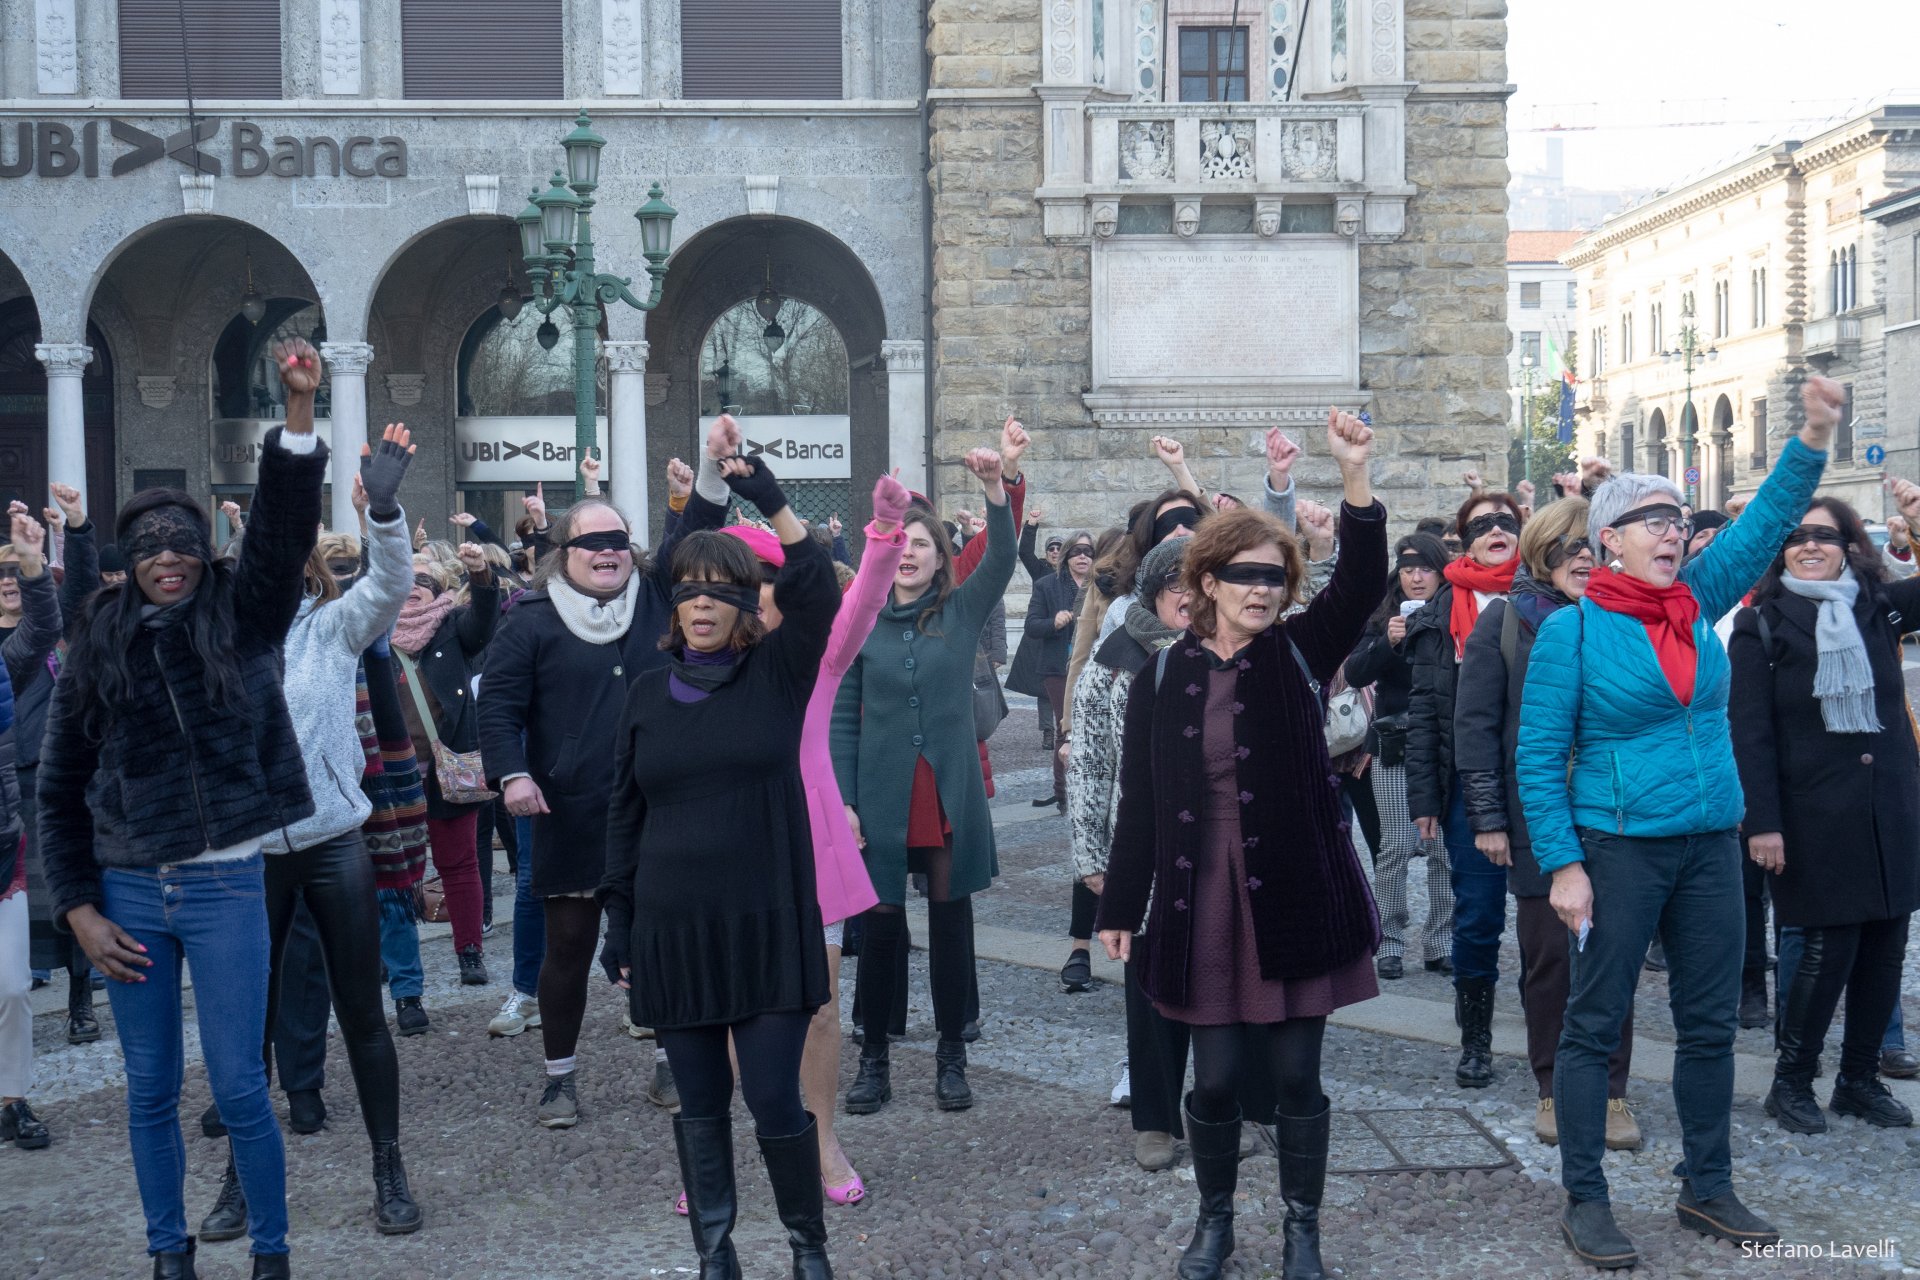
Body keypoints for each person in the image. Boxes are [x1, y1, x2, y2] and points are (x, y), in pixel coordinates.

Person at [1516, 375, 1843, 1270]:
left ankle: (1708, 1184)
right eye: (1653, 519)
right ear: (1608, 542)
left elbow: (1767, 522)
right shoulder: (1571, 634)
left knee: (1707, 1026)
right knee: (1594, 1024)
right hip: (1617, 849)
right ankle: (1586, 1198)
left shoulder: (1695, 601)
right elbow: (1538, 758)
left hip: (1709, 843)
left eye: (1678, 518)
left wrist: (1813, 434)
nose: (1675, 529)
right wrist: (1563, 864)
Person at [39, 338, 330, 1279]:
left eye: (184, 543)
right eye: (151, 546)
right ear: (130, 558)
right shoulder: (97, 646)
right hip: (126, 898)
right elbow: (58, 790)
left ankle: (273, 1253)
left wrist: (294, 416)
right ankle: (168, 1253)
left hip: (224, 889)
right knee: (151, 1090)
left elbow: (283, 539)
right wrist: (79, 909)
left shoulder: (242, 623)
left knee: (244, 1086)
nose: (170, 558)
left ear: (206, 552)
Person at [1096, 408, 1384, 1280]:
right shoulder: (1164, 674)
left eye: (1275, 576)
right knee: (1213, 1081)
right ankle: (1214, 1221)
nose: (1262, 590)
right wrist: (1116, 905)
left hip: (1295, 890)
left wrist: (1354, 473)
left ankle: (1303, 1231)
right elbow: (1139, 799)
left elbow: (1364, 577)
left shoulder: (1300, 647)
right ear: (1207, 582)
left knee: (1297, 1077)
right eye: (1244, 576)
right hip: (1200, 897)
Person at [598, 452, 840, 1280]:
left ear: (744, 605)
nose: (702, 603)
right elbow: (623, 816)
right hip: (673, 928)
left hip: (766, 919)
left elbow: (815, 584)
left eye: (721, 591)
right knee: (700, 1105)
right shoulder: (644, 695)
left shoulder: (779, 674)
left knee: (775, 1099)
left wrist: (764, 495)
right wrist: (618, 920)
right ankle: (717, 1253)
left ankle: (807, 1247)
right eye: (689, 589)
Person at [197, 427, 423, 1246]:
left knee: (363, 1015)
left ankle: (389, 1169)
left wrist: (386, 513)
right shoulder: (216, 637)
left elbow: (392, 583)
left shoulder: (332, 626)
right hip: (248, 854)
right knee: (245, 1028)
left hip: (332, 844)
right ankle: (239, 1181)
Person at [479, 423, 729, 1129]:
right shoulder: (528, 620)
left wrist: (711, 466)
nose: (607, 553)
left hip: (664, 808)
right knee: (567, 948)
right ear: (562, 553)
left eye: (617, 541)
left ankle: (669, 1064)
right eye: (591, 543)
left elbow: (697, 533)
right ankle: (559, 1077)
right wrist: (512, 776)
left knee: (664, 943)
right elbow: (496, 708)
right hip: (572, 810)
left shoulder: (655, 596)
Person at [833, 446, 1020, 1116]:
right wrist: (845, 803)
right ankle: (874, 1059)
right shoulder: (857, 620)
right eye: (898, 542)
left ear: (941, 556)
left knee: (950, 924)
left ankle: (951, 1055)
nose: (908, 552)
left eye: (921, 543)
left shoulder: (962, 611)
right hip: (880, 798)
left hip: (945, 797)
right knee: (881, 932)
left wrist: (996, 488)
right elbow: (841, 720)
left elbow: (1001, 556)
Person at [1451, 498, 1641, 1151]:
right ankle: (1555, 1089)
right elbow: (1475, 728)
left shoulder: (1622, 616)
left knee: (1612, 958)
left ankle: (1612, 1093)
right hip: (1537, 815)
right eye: (1568, 547)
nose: (1583, 559)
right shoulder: (1504, 623)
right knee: (1551, 962)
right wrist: (1487, 818)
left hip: (1617, 818)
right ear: (1542, 552)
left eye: (1592, 545)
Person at [1729, 488, 1920, 1135]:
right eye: (1796, 537)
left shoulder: (1880, 610)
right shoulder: (1760, 626)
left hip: (1888, 808)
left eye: (1826, 535)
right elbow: (1749, 733)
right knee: (1824, 950)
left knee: (1885, 947)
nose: (1811, 545)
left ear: (1850, 547)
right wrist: (1763, 823)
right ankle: (1792, 1082)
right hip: (1812, 815)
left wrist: (1918, 521)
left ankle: (1859, 1081)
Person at [1406, 487, 1524, 1088]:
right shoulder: (1438, 613)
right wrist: (1425, 798)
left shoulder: (1551, 597)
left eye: (1505, 521)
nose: (1494, 530)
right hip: (1467, 790)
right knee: (1477, 917)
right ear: (1465, 540)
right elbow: (1424, 714)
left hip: (1540, 784)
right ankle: (1475, 1039)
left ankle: (1553, 1027)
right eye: (1481, 525)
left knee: (1549, 916)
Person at [1343, 533, 1452, 982]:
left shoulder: (1457, 611)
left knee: (1444, 850)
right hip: (1395, 745)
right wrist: (1387, 642)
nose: (1416, 577)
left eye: (1425, 568)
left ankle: (1440, 943)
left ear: (1441, 570)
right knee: (1393, 848)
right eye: (1408, 569)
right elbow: (1353, 672)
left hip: (1444, 747)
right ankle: (1388, 942)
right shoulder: (1383, 615)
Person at [390, 541, 498, 986]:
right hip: (387, 772)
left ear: (441, 591)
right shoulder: (372, 631)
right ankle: (393, 961)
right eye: (407, 580)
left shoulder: (453, 627)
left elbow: (484, 621)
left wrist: (482, 577)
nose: (416, 587)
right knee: (392, 871)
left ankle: (469, 951)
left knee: (459, 863)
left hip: (446, 768)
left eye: (427, 581)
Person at [0, 503, 59, 1152]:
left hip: (2, 851)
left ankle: (12, 1099)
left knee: (13, 986)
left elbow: (42, 627)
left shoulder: (3, 668)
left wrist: (32, 562)